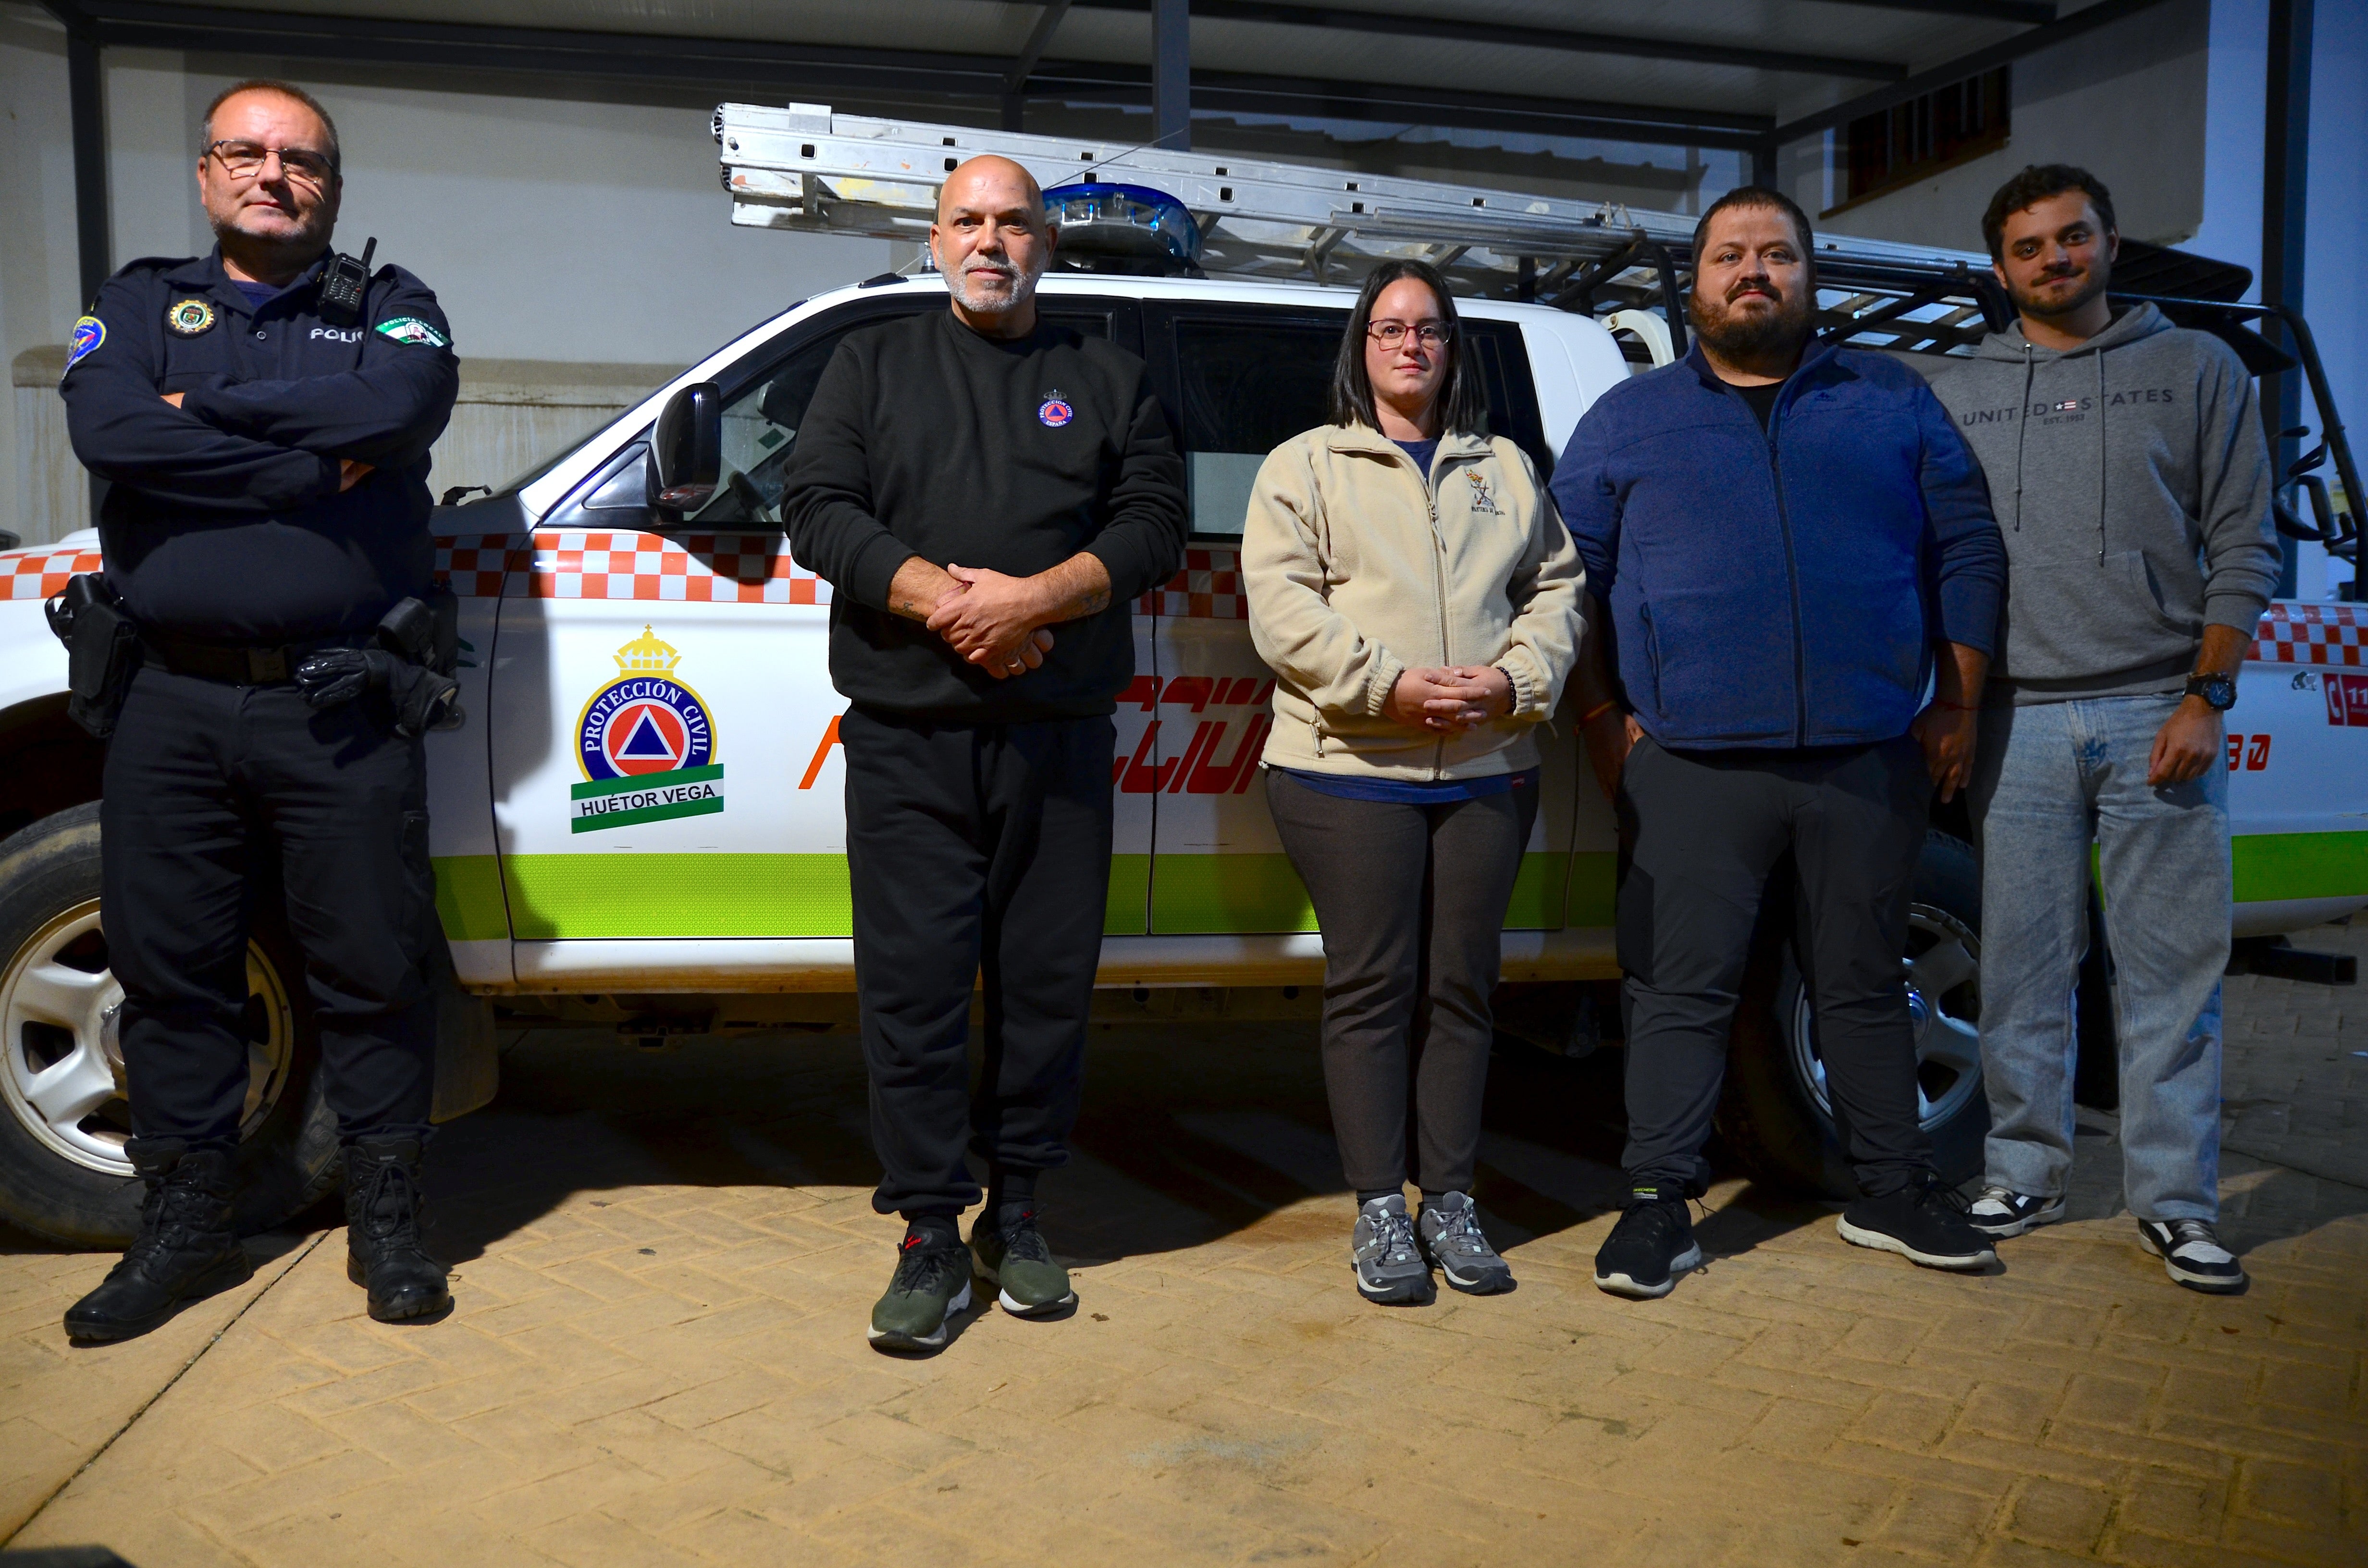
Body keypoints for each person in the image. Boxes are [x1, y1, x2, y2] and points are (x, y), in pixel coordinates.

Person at [57, 80, 460, 1339]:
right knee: (171, 975)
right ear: (207, 171)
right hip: (170, 703)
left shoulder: (394, 311)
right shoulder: (137, 302)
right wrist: (302, 465)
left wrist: (202, 411)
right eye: (248, 151)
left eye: (301, 160)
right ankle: (183, 1227)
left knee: (374, 968)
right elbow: (108, 428)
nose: (273, 175)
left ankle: (390, 1220)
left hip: (340, 703)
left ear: (331, 187)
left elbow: (395, 412)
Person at [1553, 187, 2008, 1300]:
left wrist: (1952, 705)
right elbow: (1567, 581)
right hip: (1694, 765)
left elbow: (1969, 551)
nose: (1751, 272)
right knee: (1675, 988)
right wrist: (1609, 725)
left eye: (1775, 255)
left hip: (1864, 755)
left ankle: (1891, 1192)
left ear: (1809, 277)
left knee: (1860, 981)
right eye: (1727, 257)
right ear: (1694, 285)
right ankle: (1659, 1205)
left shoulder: (1890, 398)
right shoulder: (1629, 418)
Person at [784, 156, 1187, 1352]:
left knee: (1044, 990)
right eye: (968, 220)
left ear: (1045, 244)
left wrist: (1040, 602)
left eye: (1014, 222)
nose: (991, 241)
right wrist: (949, 605)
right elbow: (817, 506)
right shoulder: (870, 364)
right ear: (935, 237)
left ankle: (1018, 1212)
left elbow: (1154, 524)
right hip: (908, 737)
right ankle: (923, 1231)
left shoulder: (1106, 376)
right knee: (911, 994)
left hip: (1056, 738)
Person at [1929, 166, 2277, 1294]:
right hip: (2015, 720)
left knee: (2171, 975)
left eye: (2070, 238)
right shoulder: (1957, 386)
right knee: (2024, 970)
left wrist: (2204, 697)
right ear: (1999, 270)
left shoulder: (2195, 368)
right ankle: (2024, 1173)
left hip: (2154, 710)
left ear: (2112, 243)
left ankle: (2174, 1203)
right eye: (2028, 248)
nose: (2052, 261)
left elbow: (2244, 545)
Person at [1243, 260, 1584, 1305]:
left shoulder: (1507, 468)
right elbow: (1282, 607)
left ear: (1450, 348)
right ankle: (1379, 1211)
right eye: (1388, 329)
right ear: (1361, 347)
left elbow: (1557, 589)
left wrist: (1513, 681)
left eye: (1427, 329)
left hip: (1485, 766)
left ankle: (1450, 1198)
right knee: (1374, 988)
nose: (1408, 346)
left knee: (1462, 991)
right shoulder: (1304, 466)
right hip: (1347, 771)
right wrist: (1385, 688)